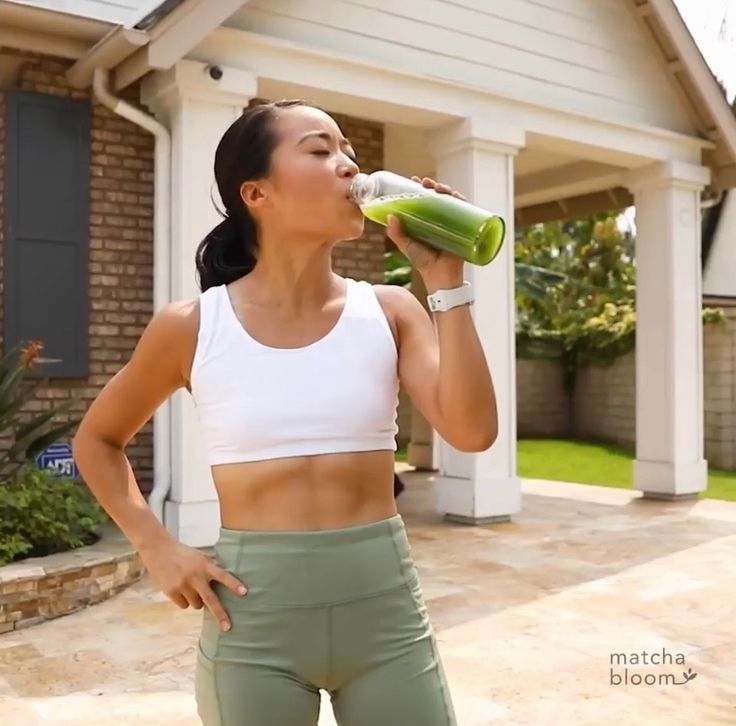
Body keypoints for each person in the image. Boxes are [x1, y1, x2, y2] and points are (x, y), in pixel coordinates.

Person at [72, 99, 498, 726]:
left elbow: (473, 430)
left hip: (385, 616)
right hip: (253, 627)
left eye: (348, 150)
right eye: (320, 150)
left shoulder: (390, 311)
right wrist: (155, 546)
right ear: (256, 193)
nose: (348, 166)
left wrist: (446, 282)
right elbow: (98, 440)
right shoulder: (191, 327)